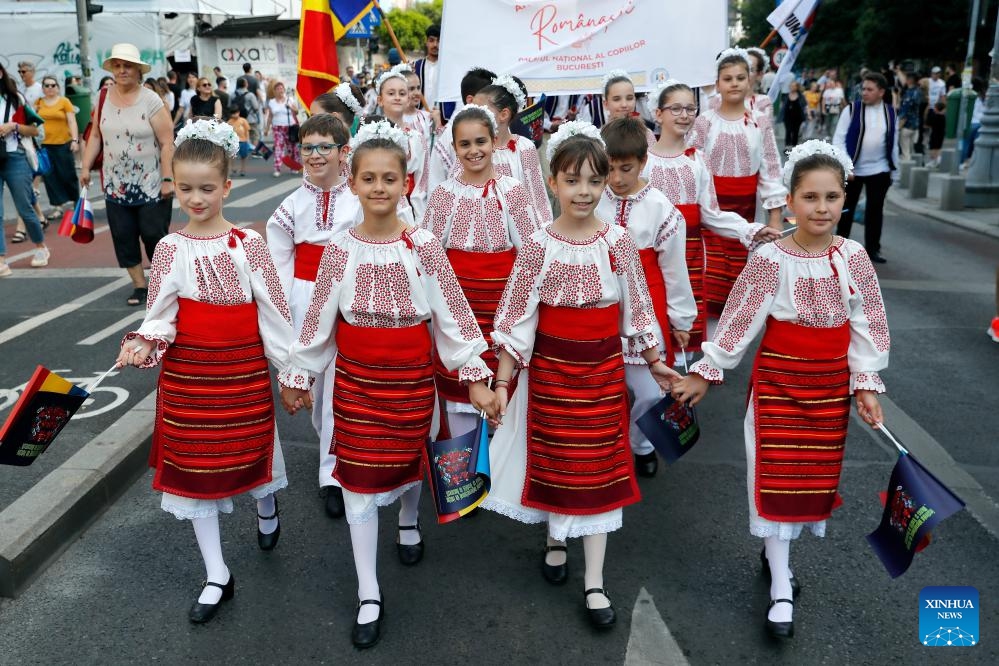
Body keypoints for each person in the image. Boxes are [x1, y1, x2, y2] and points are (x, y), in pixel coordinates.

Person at [278, 121, 498, 649]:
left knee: (405, 464)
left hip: (410, 381)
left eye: (390, 178)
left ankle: (407, 522)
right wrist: (298, 373)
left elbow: (453, 317)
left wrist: (475, 376)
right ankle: (369, 592)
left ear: (406, 183)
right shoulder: (337, 249)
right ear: (351, 183)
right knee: (357, 482)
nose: (379, 188)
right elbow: (318, 326)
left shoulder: (423, 246)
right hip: (355, 383)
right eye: (369, 178)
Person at [672, 140, 890, 640]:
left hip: (828, 390)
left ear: (844, 200)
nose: (821, 207)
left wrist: (866, 384)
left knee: (808, 482)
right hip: (778, 386)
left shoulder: (853, 257)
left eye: (831, 197)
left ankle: (778, 556)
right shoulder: (771, 258)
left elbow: (869, 324)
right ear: (789, 202)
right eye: (810, 197)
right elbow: (738, 320)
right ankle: (781, 588)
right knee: (771, 477)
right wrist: (707, 372)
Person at [483, 122, 678, 630]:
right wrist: (503, 384)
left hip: (602, 374)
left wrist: (655, 360)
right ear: (553, 183)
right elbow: (516, 322)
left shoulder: (618, 241)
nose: (584, 192)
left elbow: (637, 312)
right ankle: (553, 536)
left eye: (595, 180)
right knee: (553, 461)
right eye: (573, 181)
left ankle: (594, 581)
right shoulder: (538, 245)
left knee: (597, 472)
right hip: (550, 375)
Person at [116, 118, 294, 624]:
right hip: (190, 376)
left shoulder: (248, 243)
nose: (196, 199)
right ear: (173, 185)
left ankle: (265, 503)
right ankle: (217, 573)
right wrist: (143, 342)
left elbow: (275, 312)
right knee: (196, 471)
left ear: (227, 187)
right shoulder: (171, 248)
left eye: (207, 188)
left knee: (252, 447)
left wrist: (290, 372)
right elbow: (160, 314)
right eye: (186, 188)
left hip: (241, 371)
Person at [421, 104, 541, 438]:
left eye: (480, 142)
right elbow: (427, 255)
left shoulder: (513, 190)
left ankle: (497, 475)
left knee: (503, 390)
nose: (474, 150)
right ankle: (461, 474)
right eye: (465, 144)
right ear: (455, 148)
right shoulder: (444, 194)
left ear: (493, 141)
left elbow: (532, 251)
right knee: (459, 391)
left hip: (503, 305)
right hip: (456, 306)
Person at [267, 113, 361, 520]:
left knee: (342, 385)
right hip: (305, 300)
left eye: (325, 147)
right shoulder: (291, 205)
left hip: (350, 300)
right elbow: (277, 260)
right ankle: (334, 452)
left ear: (345, 153)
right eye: (307, 147)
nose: (315, 155)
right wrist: (284, 307)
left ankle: (333, 475)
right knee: (317, 389)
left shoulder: (360, 199)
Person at [643, 80, 778, 358]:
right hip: (652, 258)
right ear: (658, 114)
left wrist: (749, 229)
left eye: (690, 108)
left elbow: (711, 214)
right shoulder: (645, 162)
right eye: (675, 108)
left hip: (690, 254)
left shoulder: (698, 160)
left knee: (684, 333)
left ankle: (680, 394)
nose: (684, 115)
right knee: (651, 328)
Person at [596, 116, 695, 479]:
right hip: (601, 306)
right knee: (605, 386)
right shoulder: (593, 198)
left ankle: (641, 442)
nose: (617, 178)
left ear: (643, 162)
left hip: (646, 310)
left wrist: (681, 320)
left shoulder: (661, 208)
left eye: (626, 168)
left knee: (651, 391)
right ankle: (606, 448)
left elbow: (674, 269)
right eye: (609, 169)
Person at [689, 48, 786, 319]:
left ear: (750, 81)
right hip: (710, 213)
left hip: (748, 211)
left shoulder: (760, 122)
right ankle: (706, 352)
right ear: (717, 83)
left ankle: (725, 346)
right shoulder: (704, 122)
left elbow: (770, 169)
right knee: (709, 280)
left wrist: (775, 217)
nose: (734, 83)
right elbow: (692, 167)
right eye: (727, 78)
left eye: (740, 78)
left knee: (741, 286)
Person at [80, 43, 175, 306]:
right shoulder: (103, 97)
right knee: (123, 235)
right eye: (118, 66)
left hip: (152, 184)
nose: (122, 71)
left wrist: (168, 179)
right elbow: (96, 135)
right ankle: (139, 286)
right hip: (115, 184)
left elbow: (168, 142)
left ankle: (162, 283)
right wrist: (85, 167)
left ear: (138, 71)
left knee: (154, 234)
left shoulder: (151, 100)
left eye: (128, 66)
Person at [833, 72, 898, 264]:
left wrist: (895, 171)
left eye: (870, 89)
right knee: (847, 209)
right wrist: (846, 166)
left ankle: (872, 249)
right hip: (853, 170)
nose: (864, 93)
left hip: (880, 168)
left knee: (875, 209)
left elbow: (893, 143)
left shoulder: (890, 112)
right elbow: (839, 139)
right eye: (863, 88)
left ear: (881, 92)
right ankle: (840, 247)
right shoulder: (852, 110)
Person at [472, 75, 553, 226]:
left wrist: (542, 234)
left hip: (521, 231)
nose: (473, 117)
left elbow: (537, 199)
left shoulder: (524, 147)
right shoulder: (473, 148)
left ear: (504, 114)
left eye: (481, 111)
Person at [0, 62, 50, 276]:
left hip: (15, 157)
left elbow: (35, 130)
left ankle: (40, 246)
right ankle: (1, 259)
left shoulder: (15, 99)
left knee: (25, 207)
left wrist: (13, 126)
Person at [427, 67, 496, 193]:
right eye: (491, 101)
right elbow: (435, 181)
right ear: (470, 100)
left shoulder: (497, 129)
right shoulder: (449, 134)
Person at [372, 71, 428, 223]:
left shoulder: (417, 138)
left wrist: (419, 218)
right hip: (376, 204)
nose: (397, 97)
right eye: (391, 93)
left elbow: (422, 181)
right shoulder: (370, 134)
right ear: (380, 100)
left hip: (409, 208)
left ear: (408, 98)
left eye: (402, 93)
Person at [34, 75, 80, 220]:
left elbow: (72, 121)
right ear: (42, 88)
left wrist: (75, 140)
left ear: (58, 87)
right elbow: (33, 120)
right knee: (50, 177)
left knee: (68, 174)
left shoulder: (64, 101)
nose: (50, 88)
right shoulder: (39, 103)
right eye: (46, 85)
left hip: (63, 143)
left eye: (53, 85)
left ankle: (76, 202)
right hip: (45, 145)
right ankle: (57, 206)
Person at [590, 70, 656, 145]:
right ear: (606, 104)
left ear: (635, 100)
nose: (624, 105)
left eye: (629, 98)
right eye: (617, 99)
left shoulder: (646, 134)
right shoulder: (599, 137)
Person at [264, 80, 301, 177]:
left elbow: (296, 112)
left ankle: (294, 167)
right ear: (275, 91)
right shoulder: (272, 102)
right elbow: (270, 116)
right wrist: (267, 128)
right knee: (278, 148)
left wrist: (291, 108)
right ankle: (277, 168)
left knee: (292, 149)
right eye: (278, 89)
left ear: (284, 90)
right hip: (277, 128)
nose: (280, 90)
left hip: (290, 127)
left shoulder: (290, 99)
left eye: (281, 88)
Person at [397, 65, 434, 149]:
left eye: (418, 88)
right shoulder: (393, 119)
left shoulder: (428, 117)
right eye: (411, 89)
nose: (417, 93)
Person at [232, 76, 261, 150]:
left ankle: (243, 151)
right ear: (246, 84)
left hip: (238, 120)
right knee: (254, 135)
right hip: (250, 119)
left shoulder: (233, 95)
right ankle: (255, 151)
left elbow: (230, 106)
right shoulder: (250, 95)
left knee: (241, 135)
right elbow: (256, 107)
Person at [897, 73, 922, 160]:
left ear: (910, 80)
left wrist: (899, 127)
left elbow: (904, 111)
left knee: (905, 152)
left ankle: (906, 172)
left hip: (906, 125)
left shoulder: (909, 93)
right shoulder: (918, 91)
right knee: (910, 150)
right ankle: (911, 170)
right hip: (915, 125)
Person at [225, 106, 251, 177]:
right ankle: (232, 168)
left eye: (235, 113)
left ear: (238, 113)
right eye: (232, 113)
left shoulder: (243, 120)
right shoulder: (229, 122)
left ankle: (243, 169)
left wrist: (248, 140)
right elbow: (227, 132)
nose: (234, 115)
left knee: (244, 156)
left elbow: (247, 130)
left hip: (243, 140)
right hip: (233, 142)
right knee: (232, 156)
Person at [783, 80, 807, 147]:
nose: (792, 87)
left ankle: (794, 145)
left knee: (795, 132)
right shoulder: (786, 96)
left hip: (797, 117)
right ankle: (787, 145)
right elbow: (784, 107)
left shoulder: (801, 96)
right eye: (791, 86)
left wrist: (807, 115)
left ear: (797, 87)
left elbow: (805, 106)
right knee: (788, 131)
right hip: (787, 117)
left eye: (793, 86)